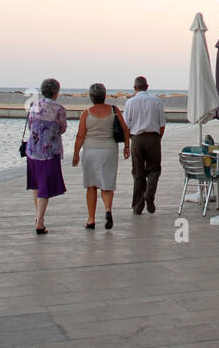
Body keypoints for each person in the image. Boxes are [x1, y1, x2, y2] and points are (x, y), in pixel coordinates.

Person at [72, 84, 130, 230]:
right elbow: (124, 128)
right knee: (107, 184)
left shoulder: (87, 112)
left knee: (91, 186)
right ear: (105, 95)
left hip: (91, 151)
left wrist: (76, 154)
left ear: (91, 97)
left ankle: (91, 220)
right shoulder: (114, 110)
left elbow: (80, 135)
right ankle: (108, 210)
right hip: (109, 150)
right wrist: (127, 146)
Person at [26, 78, 68, 234]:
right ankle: (39, 221)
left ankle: (39, 217)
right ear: (56, 92)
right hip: (49, 151)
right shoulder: (58, 109)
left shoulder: (34, 105)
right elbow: (62, 128)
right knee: (44, 186)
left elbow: (31, 125)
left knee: (36, 184)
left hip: (32, 149)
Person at [124, 76, 166, 214]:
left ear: (135, 88)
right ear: (147, 86)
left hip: (136, 138)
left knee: (138, 172)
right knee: (154, 169)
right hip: (153, 137)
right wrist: (158, 139)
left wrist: (130, 141)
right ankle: (149, 194)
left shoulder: (130, 102)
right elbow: (162, 124)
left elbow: (126, 125)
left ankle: (137, 206)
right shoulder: (156, 101)